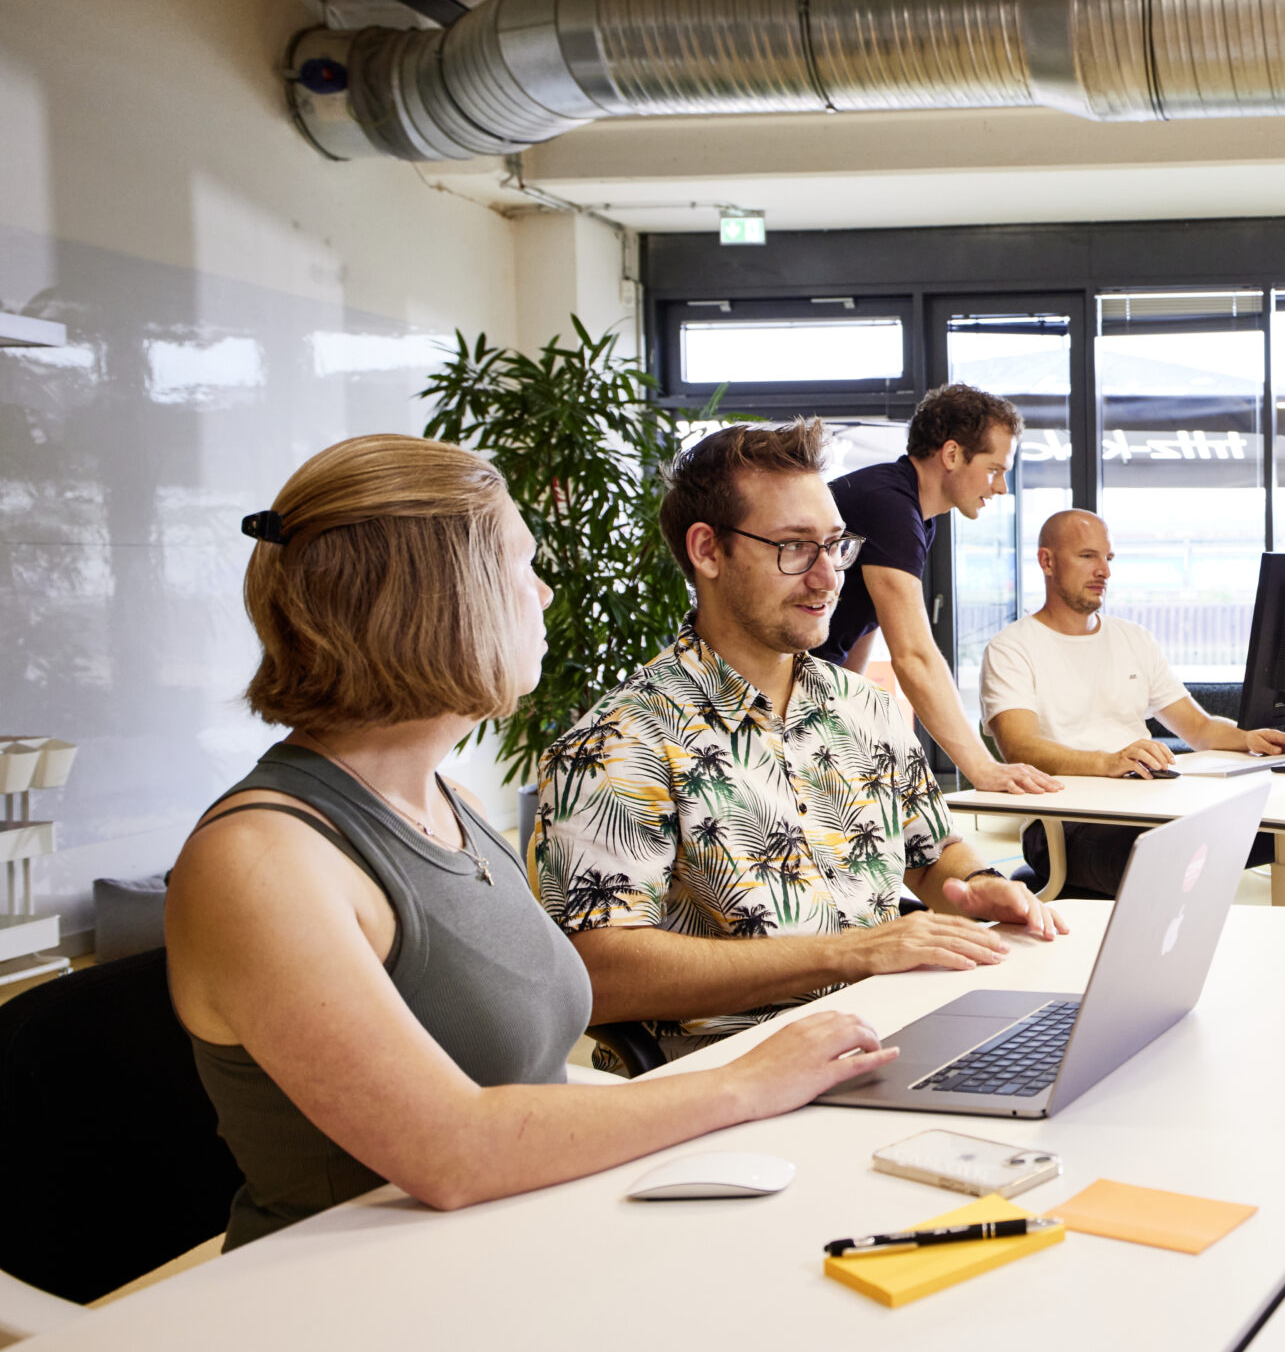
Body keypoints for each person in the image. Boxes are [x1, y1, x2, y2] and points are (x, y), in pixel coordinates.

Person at [165, 435, 899, 1249]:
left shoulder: (451, 804)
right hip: (353, 1291)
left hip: (517, 1233)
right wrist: (742, 1085)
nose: (546, 595)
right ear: (440, 599)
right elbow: (452, 1149)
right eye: (523, 567)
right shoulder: (264, 862)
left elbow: (529, 1081)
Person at [536, 419, 1062, 1065]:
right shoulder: (619, 742)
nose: (828, 578)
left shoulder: (864, 708)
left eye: (836, 546)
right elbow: (597, 974)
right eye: (793, 548)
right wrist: (850, 953)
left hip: (900, 1026)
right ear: (707, 551)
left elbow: (930, 853)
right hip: (736, 1074)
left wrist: (977, 884)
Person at [981, 510, 1285, 906]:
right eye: (1088, 556)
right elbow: (1018, 748)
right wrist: (1107, 761)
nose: (1103, 571)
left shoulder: (1133, 639)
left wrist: (1248, 737)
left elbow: (1199, 728)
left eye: (1109, 559)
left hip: (1151, 807)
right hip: (1065, 825)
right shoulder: (1012, 648)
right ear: (1047, 561)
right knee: (1175, 857)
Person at [818, 385, 1062, 796]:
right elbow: (912, 655)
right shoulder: (890, 506)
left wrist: (836, 707)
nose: (1001, 487)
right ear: (951, 455)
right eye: (994, 469)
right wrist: (982, 768)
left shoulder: (910, 510)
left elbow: (868, 618)